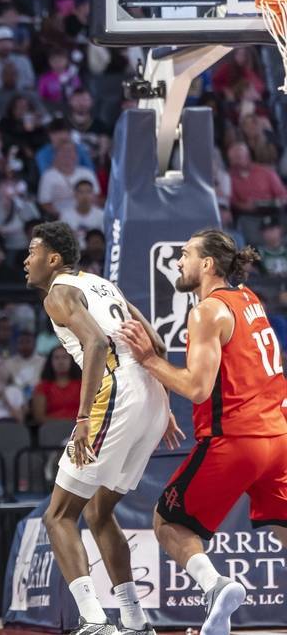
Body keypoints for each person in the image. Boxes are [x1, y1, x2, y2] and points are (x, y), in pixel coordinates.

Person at [118, 230, 287, 635]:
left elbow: (197, 388)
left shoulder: (207, 311)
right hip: (279, 436)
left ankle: (216, 587)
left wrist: (148, 359)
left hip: (237, 439)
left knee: (167, 523)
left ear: (207, 264)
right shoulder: (249, 299)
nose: (178, 261)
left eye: (185, 254)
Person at [24, 222, 175, 635]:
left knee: (58, 516)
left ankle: (93, 620)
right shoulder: (105, 285)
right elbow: (157, 343)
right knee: (97, 511)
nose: (26, 260)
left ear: (54, 259)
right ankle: (134, 619)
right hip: (151, 397)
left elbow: (95, 343)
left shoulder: (58, 293)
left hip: (117, 394)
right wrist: (162, 404)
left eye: (32, 252)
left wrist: (83, 418)